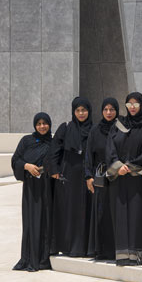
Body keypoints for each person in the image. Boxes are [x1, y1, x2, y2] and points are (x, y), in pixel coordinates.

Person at [106, 92, 142, 266]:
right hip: (119, 178)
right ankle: (122, 256)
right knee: (120, 216)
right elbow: (110, 148)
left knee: (137, 216)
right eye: (129, 104)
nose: (132, 107)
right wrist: (118, 166)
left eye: (136, 104)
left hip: (137, 180)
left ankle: (137, 255)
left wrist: (132, 166)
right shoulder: (119, 125)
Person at [49, 97, 93, 257]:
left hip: (86, 175)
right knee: (68, 210)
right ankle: (67, 246)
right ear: (74, 111)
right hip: (68, 176)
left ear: (89, 111)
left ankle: (84, 247)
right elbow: (54, 149)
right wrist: (54, 169)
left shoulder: (93, 129)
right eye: (78, 110)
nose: (81, 113)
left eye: (84, 110)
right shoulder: (66, 128)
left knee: (85, 210)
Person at [11, 112, 54, 271]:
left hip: (46, 188)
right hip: (30, 189)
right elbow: (15, 159)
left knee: (44, 220)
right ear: (35, 125)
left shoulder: (53, 142)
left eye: (45, 123)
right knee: (30, 221)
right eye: (39, 124)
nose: (42, 126)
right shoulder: (26, 141)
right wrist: (26, 166)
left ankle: (42, 259)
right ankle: (27, 257)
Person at [85, 97, 119, 260]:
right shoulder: (95, 130)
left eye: (112, 109)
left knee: (114, 212)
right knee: (100, 212)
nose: (108, 112)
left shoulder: (121, 128)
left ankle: (115, 249)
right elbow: (88, 155)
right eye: (105, 109)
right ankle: (101, 249)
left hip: (117, 176)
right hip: (99, 177)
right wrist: (88, 176)